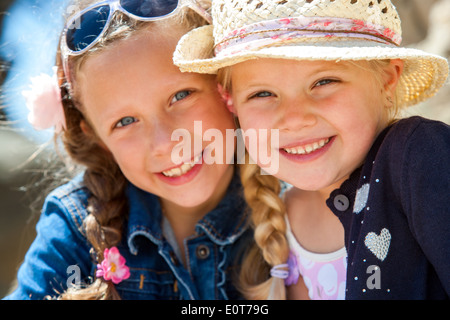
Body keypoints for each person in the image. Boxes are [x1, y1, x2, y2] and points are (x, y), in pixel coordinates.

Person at [173, 0, 450, 300]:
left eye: (324, 81)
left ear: (387, 79)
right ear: (232, 102)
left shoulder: (419, 157)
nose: (295, 119)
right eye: (262, 93)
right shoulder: (284, 222)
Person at [4, 0, 252, 300]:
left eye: (180, 95)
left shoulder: (297, 198)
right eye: (125, 121)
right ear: (96, 137)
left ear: (225, 82)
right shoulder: (75, 227)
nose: (164, 143)